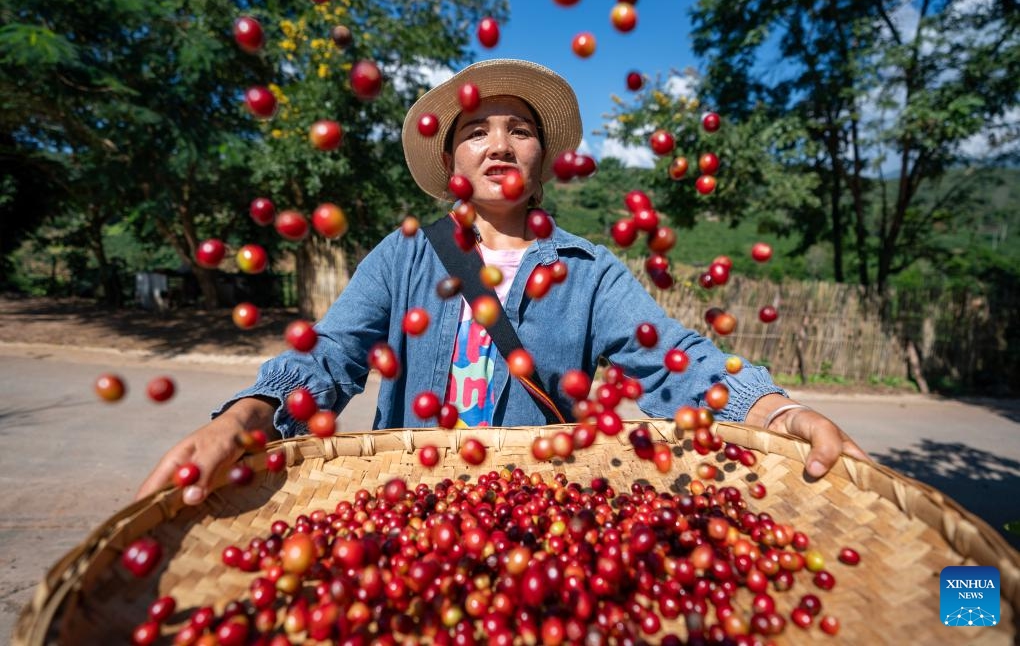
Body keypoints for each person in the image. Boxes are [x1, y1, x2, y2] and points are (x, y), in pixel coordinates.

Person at [137, 59, 868, 505]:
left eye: (518, 129)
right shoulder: (405, 255)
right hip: (409, 496)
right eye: (477, 130)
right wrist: (242, 420)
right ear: (454, 160)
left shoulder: (587, 270)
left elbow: (675, 359)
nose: (499, 144)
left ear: (544, 159)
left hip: (536, 506)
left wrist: (775, 411)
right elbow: (328, 359)